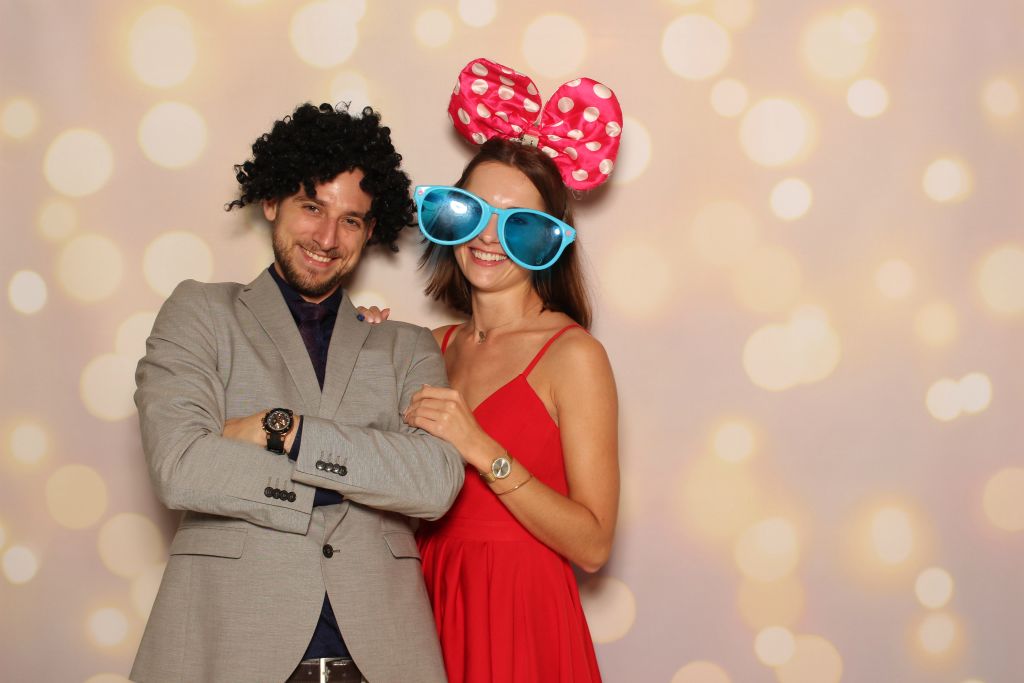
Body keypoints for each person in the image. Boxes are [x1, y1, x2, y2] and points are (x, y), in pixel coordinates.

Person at [130, 102, 464, 683]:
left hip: (382, 656)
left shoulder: (407, 346)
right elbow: (181, 466)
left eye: (351, 220)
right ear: (271, 201)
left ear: (370, 230)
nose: (327, 237)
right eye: (312, 207)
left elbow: (433, 483)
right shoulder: (201, 312)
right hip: (230, 649)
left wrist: (282, 429)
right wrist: (365, 477)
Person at [362, 58, 622, 682]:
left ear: (548, 240)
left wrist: (481, 448)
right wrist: (355, 350)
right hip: (426, 602)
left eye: (519, 225)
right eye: (471, 211)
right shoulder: (426, 346)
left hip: (519, 616)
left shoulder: (574, 356)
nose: (488, 237)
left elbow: (593, 544)